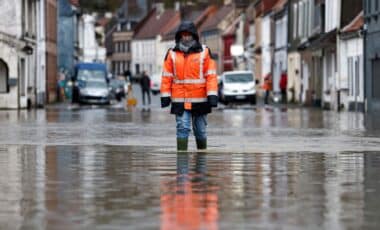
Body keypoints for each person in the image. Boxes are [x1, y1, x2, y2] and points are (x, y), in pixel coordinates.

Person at [160, 21, 218, 151]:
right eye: (183, 35)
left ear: (194, 35)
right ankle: (182, 166)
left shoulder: (204, 52)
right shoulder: (172, 54)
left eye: (188, 35)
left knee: (200, 131)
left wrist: (212, 95)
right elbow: (166, 77)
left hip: (200, 99)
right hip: (180, 99)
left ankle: (201, 163)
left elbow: (211, 75)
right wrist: (165, 96)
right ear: (179, 36)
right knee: (182, 127)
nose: (185, 37)